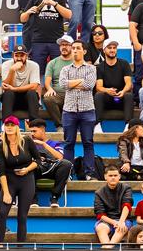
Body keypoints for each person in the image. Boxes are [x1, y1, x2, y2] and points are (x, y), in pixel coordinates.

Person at [0, 117, 38, 244]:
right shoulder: (1, 145)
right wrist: (6, 193)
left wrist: (27, 169)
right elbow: (1, 171)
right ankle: (0, 245)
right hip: (9, 180)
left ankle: (20, 247)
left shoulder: (27, 141)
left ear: (17, 127)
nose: (9, 127)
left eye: (12, 125)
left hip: (26, 180)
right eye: (7, 125)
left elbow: (38, 160)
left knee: (22, 216)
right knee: (2, 213)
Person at [59, 41, 97, 177]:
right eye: (73, 48)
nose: (74, 50)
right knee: (69, 143)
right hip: (69, 110)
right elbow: (63, 84)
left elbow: (89, 85)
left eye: (78, 48)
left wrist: (71, 84)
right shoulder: (65, 69)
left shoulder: (91, 68)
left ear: (84, 51)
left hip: (87, 110)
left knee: (88, 142)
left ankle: (90, 173)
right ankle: (68, 173)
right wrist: (81, 81)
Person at [18, 0, 70, 72]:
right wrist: (28, 12)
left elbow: (69, 15)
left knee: (58, 70)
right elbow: (22, 19)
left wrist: (54, 3)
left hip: (56, 41)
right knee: (38, 70)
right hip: (38, 41)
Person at [26, 119, 73, 207]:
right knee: (28, 166)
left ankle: (54, 198)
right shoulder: (29, 144)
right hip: (37, 169)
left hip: (52, 170)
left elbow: (60, 157)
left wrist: (44, 145)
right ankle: (33, 200)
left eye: (34, 131)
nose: (32, 134)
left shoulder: (55, 144)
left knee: (66, 164)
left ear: (42, 130)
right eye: (31, 131)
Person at [92, 39, 133, 129]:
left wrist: (123, 91)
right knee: (98, 95)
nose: (112, 50)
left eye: (114, 48)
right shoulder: (99, 67)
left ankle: (128, 126)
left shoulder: (124, 64)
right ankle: (97, 125)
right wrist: (107, 90)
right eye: (109, 48)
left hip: (121, 97)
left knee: (128, 95)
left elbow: (128, 83)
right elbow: (99, 87)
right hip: (108, 98)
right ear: (104, 50)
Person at [0, 45, 42, 122]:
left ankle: (34, 123)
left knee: (32, 93)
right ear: (13, 55)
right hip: (12, 101)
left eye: (22, 55)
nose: (19, 58)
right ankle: (6, 123)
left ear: (26, 56)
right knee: (8, 93)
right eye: (16, 55)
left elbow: (34, 86)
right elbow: (6, 86)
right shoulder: (6, 65)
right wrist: (12, 70)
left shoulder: (34, 65)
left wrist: (14, 89)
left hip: (27, 101)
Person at [93, 164, 132, 246]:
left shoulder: (126, 188)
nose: (113, 178)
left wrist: (121, 222)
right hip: (106, 221)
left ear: (119, 176)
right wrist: (114, 222)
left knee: (121, 228)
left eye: (115, 175)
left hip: (123, 220)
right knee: (100, 228)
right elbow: (100, 214)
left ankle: (108, 249)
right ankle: (108, 249)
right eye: (110, 176)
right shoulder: (99, 193)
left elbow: (127, 206)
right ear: (105, 177)